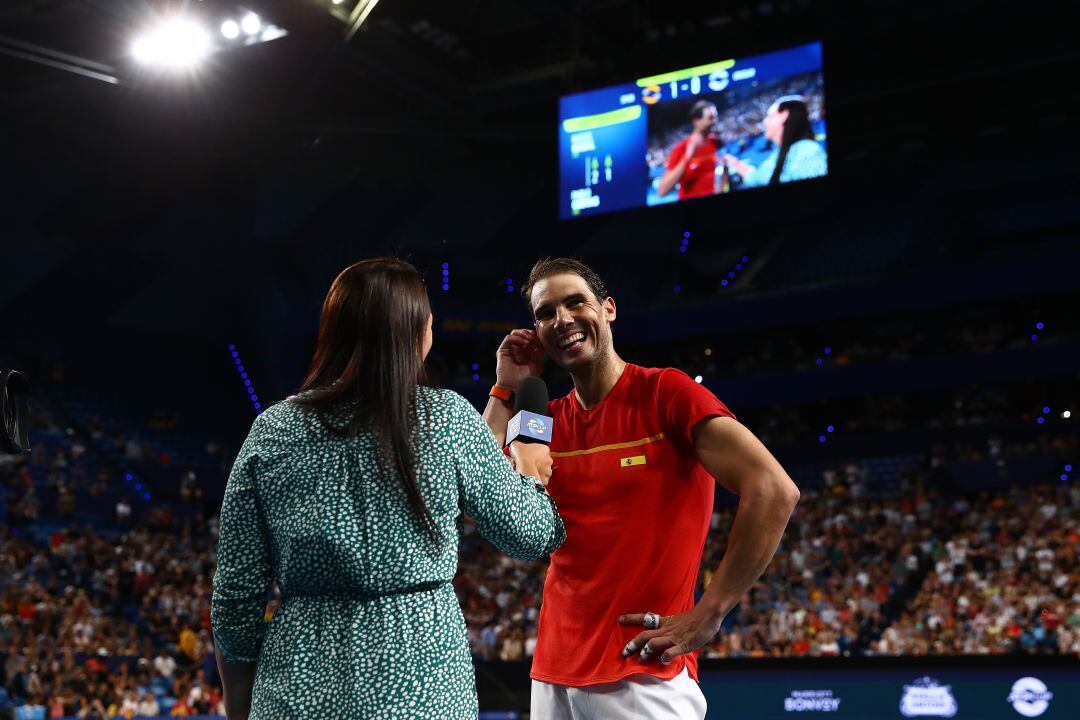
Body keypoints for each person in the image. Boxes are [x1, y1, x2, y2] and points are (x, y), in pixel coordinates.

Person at [212, 258, 565, 719]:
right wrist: (532, 457)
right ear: (417, 335)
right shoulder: (445, 418)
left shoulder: (273, 430)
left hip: (297, 686)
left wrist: (242, 706)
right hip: (425, 684)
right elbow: (529, 533)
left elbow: (236, 600)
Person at [483, 257, 800, 719]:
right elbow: (477, 486)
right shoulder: (542, 420)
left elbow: (774, 490)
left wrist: (709, 614)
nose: (562, 319)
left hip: (644, 670)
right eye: (546, 312)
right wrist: (505, 387)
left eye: (575, 302)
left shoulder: (665, 393)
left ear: (608, 309)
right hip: (553, 673)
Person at [722, 95, 826, 187]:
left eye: (769, 116)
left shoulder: (807, 151)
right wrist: (735, 164)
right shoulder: (778, 154)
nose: (764, 121)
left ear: (783, 115)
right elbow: (756, 177)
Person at [656, 100, 720, 200]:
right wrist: (687, 158)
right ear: (696, 121)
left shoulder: (714, 142)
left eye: (716, 117)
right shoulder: (681, 148)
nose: (715, 121)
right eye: (710, 118)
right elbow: (662, 191)